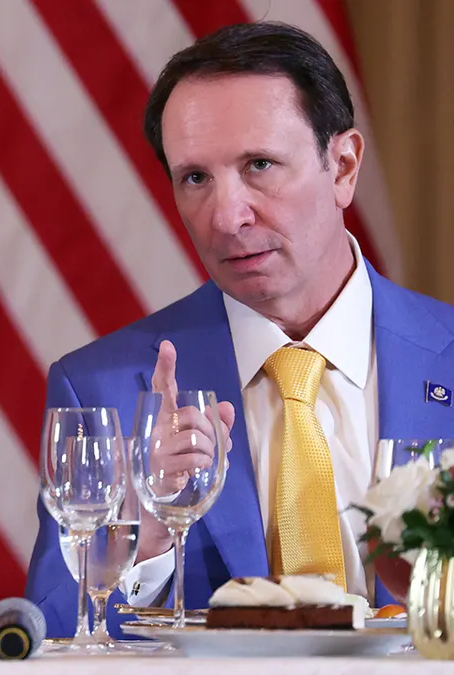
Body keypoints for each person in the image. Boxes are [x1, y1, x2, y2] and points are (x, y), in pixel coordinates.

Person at [25, 21, 454, 638]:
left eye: (259, 165)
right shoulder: (102, 389)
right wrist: (142, 532)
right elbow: (49, 639)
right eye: (195, 178)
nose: (226, 217)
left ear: (343, 167)